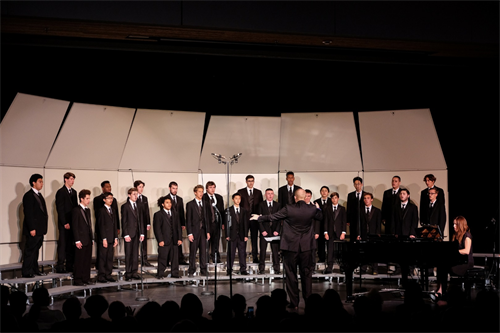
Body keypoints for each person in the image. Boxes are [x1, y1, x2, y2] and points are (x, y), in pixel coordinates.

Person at [251, 188, 322, 309]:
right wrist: (318, 207)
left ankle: (294, 303)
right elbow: (320, 216)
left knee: (291, 274)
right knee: (307, 274)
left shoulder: (289, 208)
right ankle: (309, 303)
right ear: (305, 197)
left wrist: (259, 218)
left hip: (291, 247)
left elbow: (273, 217)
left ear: (295, 197)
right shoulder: (312, 209)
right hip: (306, 248)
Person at [434, 216, 474, 299]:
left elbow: (466, 251)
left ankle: (442, 290)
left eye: (456, 224)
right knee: (441, 265)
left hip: (466, 262)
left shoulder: (467, 235)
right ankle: (441, 289)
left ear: (461, 225)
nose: (453, 226)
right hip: (458, 260)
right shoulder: (455, 235)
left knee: (444, 266)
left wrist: (454, 252)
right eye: (453, 224)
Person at [21, 173, 48, 278]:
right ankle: (27, 271)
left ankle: (34, 269)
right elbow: (28, 214)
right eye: (40, 181)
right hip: (33, 229)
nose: (42, 184)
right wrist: (32, 228)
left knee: (36, 250)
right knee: (30, 250)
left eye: (42, 181)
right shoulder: (28, 196)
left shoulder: (39, 195)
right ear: (33, 182)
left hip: (40, 229)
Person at [153, 196, 182, 279]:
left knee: (175, 258)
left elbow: (178, 227)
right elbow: (157, 229)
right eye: (167, 202)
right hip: (164, 240)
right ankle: (160, 274)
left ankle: (175, 273)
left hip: (174, 240)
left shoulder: (175, 213)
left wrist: (179, 238)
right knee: (163, 257)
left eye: (170, 202)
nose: (169, 204)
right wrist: (160, 240)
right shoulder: (158, 215)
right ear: (162, 204)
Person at [93, 180, 119, 269]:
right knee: (102, 252)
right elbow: (99, 217)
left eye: (110, 187)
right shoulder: (97, 200)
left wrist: (117, 230)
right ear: (103, 188)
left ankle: (109, 269)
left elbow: (116, 216)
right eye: (107, 187)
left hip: (112, 230)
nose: (109, 188)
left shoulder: (113, 202)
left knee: (110, 252)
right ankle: (101, 269)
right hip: (103, 228)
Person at [55, 172, 78, 273]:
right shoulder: (61, 192)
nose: (72, 181)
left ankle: (70, 265)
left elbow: (75, 208)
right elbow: (60, 209)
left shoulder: (74, 192)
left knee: (70, 245)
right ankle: (60, 266)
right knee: (63, 244)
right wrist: (64, 222)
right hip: (64, 223)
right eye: (71, 179)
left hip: (72, 222)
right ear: (66, 179)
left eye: (73, 179)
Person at [237, 175, 263, 264]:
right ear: (246, 181)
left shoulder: (258, 192)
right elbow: (239, 205)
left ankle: (255, 256)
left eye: (252, 181)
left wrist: (259, 216)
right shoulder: (241, 192)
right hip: (244, 219)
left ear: (254, 181)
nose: (250, 182)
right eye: (249, 181)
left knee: (254, 238)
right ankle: (242, 256)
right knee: (243, 237)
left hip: (255, 219)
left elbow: (261, 205)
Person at [186, 185, 210, 277]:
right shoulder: (190, 204)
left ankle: (203, 270)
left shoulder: (205, 204)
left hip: (203, 231)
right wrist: (189, 233)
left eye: (202, 191)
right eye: (199, 191)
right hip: (194, 232)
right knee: (193, 252)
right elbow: (188, 220)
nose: (201, 193)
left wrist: (208, 231)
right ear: (195, 192)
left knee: (203, 252)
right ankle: (191, 269)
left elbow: (207, 219)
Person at [121, 187, 144, 281]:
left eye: (136, 194)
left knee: (135, 254)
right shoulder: (125, 206)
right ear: (129, 195)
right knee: (129, 254)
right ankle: (128, 272)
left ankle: (134, 272)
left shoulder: (139, 206)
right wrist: (126, 234)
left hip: (137, 233)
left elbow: (141, 220)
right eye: (134, 194)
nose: (136, 196)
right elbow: (124, 221)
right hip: (129, 234)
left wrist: (142, 233)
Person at [257, 188, 282, 274]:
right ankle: (261, 269)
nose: (270, 195)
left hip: (274, 231)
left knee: (275, 251)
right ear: (265, 195)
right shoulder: (261, 204)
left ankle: (277, 269)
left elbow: (279, 219)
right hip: (265, 231)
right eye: (268, 194)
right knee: (262, 251)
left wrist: (277, 230)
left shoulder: (278, 205)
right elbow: (259, 219)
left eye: (271, 193)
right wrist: (262, 230)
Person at [72, 189, 94, 286]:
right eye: (87, 198)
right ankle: (78, 279)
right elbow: (75, 226)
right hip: (80, 240)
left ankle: (86, 278)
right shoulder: (76, 210)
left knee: (87, 260)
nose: (89, 200)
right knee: (79, 261)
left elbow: (89, 225)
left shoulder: (88, 210)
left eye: (89, 198)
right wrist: (77, 240)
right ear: (81, 199)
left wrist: (92, 238)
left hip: (88, 239)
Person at [96, 192, 118, 283]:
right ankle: (101, 275)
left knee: (109, 257)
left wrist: (116, 238)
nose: (111, 200)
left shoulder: (112, 210)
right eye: (109, 198)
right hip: (104, 238)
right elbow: (101, 225)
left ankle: (108, 274)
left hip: (112, 237)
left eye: (112, 198)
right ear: (104, 199)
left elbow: (115, 225)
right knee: (103, 257)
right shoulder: (101, 210)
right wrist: (104, 238)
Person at [322, 192, 347, 274]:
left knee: (341, 251)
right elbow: (325, 221)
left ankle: (342, 267)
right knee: (330, 250)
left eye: (335, 198)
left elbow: (344, 221)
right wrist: (325, 232)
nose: (334, 199)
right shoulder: (327, 208)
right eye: (332, 198)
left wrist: (343, 232)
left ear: (338, 198)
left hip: (340, 232)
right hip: (330, 232)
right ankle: (329, 267)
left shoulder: (342, 208)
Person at [358, 192, 381, 274]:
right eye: (365, 198)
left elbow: (378, 224)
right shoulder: (360, 210)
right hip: (363, 234)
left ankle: (375, 269)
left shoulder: (377, 210)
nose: (366, 200)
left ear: (371, 199)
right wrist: (358, 234)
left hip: (373, 234)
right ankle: (363, 268)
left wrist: (378, 234)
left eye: (368, 198)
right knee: (364, 251)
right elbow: (358, 224)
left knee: (374, 252)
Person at [226, 193, 249, 275]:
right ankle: (229, 269)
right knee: (231, 253)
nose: (238, 200)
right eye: (236, 198)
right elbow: (227, 224)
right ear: (233, 199)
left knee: (242, 253)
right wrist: (227, 235)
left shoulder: (243, 210)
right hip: (232, 235)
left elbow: (246, 224)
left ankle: (243, 269)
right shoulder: (229, 210)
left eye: (239, 199)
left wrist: (246, 235)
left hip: (242, 235)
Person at [203, 181, 224, 263]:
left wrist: (223, 223)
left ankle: (215, 257)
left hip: (216, 223)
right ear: (207, 188)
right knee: (206, 242)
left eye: (214, 187)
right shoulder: (204, 197)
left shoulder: (219, 197)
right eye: (210, 187)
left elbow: (221, 210)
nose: (212, 189)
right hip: (207, 223)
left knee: (216, 241)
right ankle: (206, 258)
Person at [167, 181, 187, 265]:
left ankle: (180, 259)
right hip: (169, 223)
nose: (175, 190)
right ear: (169, 188)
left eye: (176, 188)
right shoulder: (166, 198)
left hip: (178, 224)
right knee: (169, 241)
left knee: (179, 240)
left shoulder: (179, 199)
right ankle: (169, 260)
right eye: (173, 188)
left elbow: (181, 212)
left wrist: (183, 223)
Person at [134, 180, 152, 267]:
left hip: (143, 224)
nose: (141, 189)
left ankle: (144, 260)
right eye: (139, 187)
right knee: (135, 243)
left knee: (144, 243)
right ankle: (135, 260)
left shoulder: (144, 198)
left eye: (142, 187)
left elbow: (147, 211)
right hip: (135, 225)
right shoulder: (133, 198)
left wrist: (148, 223)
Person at [313, 186, 330, 263]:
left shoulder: (331, 201)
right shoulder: (316, 202)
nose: (324, 192)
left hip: (329, 225)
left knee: (329, 243)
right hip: (319, 225)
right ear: (320, 192)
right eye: (322, 191)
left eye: (325, 191)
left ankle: (330, 259)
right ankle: (321, 258)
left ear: (328, 192)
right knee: (320, 243)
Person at [346, 176, 365, 242]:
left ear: (362, 184)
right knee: (353, 235)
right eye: (355, 184)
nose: (357, 185)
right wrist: (348, 220)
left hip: (363, 219)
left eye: (358, 184)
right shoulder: (350, 195)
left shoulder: (365, 195)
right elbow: (348, 207)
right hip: (353, 218)